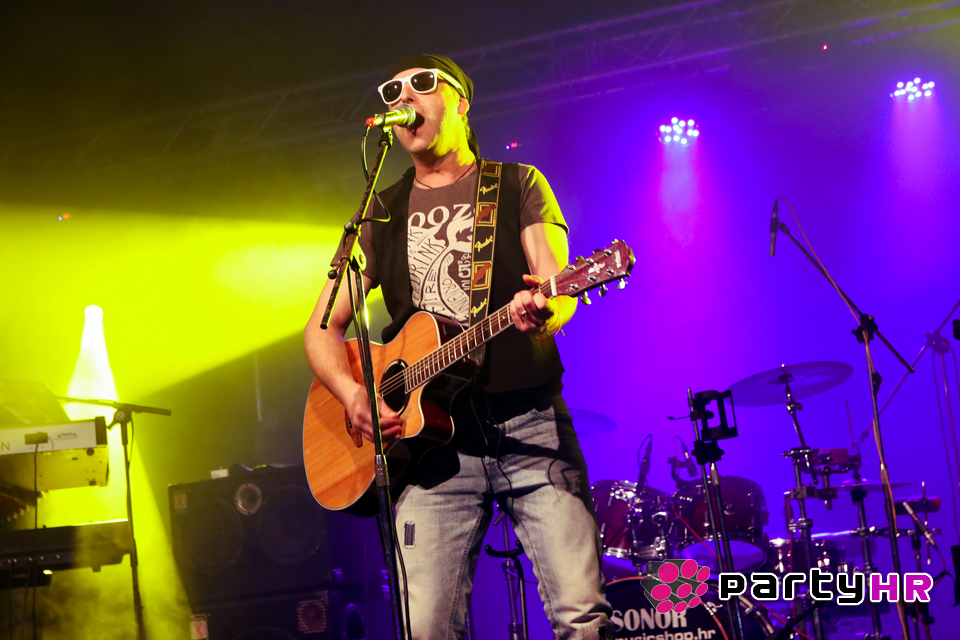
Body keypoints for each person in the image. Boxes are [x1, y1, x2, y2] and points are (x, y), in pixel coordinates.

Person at [304, 54, 612, 640]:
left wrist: (546, 310)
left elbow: (556, 284)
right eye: (392, 90)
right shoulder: (379, 212)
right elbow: (320, 328)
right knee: (426, 631)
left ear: (461, 103)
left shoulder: (518, 184)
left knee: (582, 618)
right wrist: (352, 394)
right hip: (430, 451)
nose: (403, 98)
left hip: (529, 427)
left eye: (421, 85)